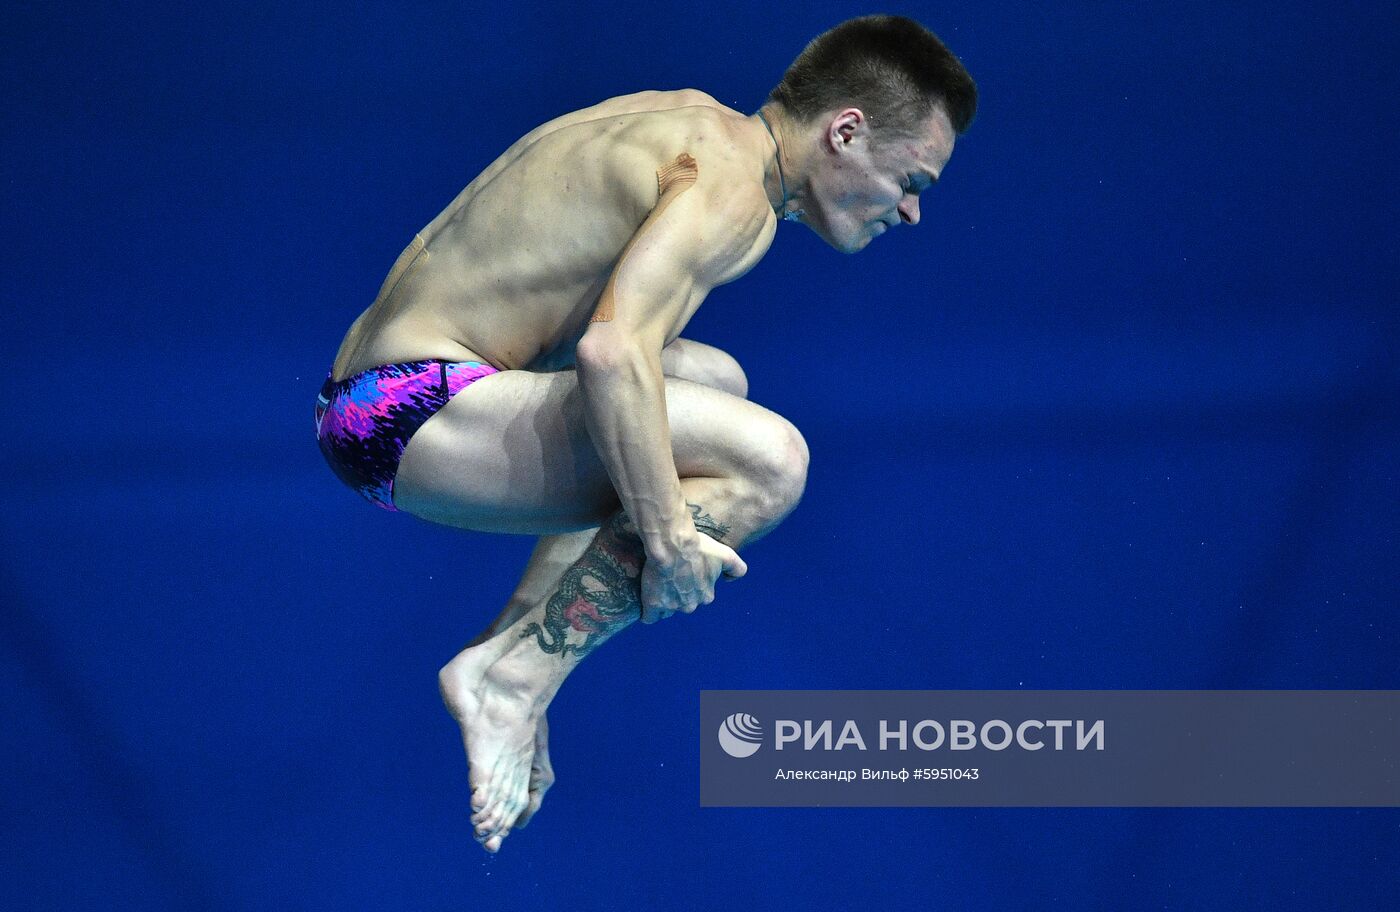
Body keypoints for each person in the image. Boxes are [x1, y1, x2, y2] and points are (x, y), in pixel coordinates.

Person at [314, 14, 976, 853]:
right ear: (845, 130)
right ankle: (509, 683)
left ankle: (507, 663)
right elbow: (609, 352)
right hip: (403, 411)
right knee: (771, 464)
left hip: (381, 402)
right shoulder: (734, 190)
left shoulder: (693, 125)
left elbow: (620, 383)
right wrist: (667, 539)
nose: (913, 213)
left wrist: (539, 627)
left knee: (707, 384)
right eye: (913, 179)